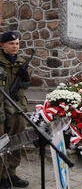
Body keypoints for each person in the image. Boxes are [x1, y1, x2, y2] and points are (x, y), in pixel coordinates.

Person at [0, 31, 30, 188]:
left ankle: (12, 174)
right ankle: (2, 177)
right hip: (2, 110)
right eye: (11, 43)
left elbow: (26, 85)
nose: (15, 46)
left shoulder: (21, 62)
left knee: (17, 143)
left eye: (17, 44)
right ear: (2, 45)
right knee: (2, 144)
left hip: (18, 108)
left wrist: (25, 79)